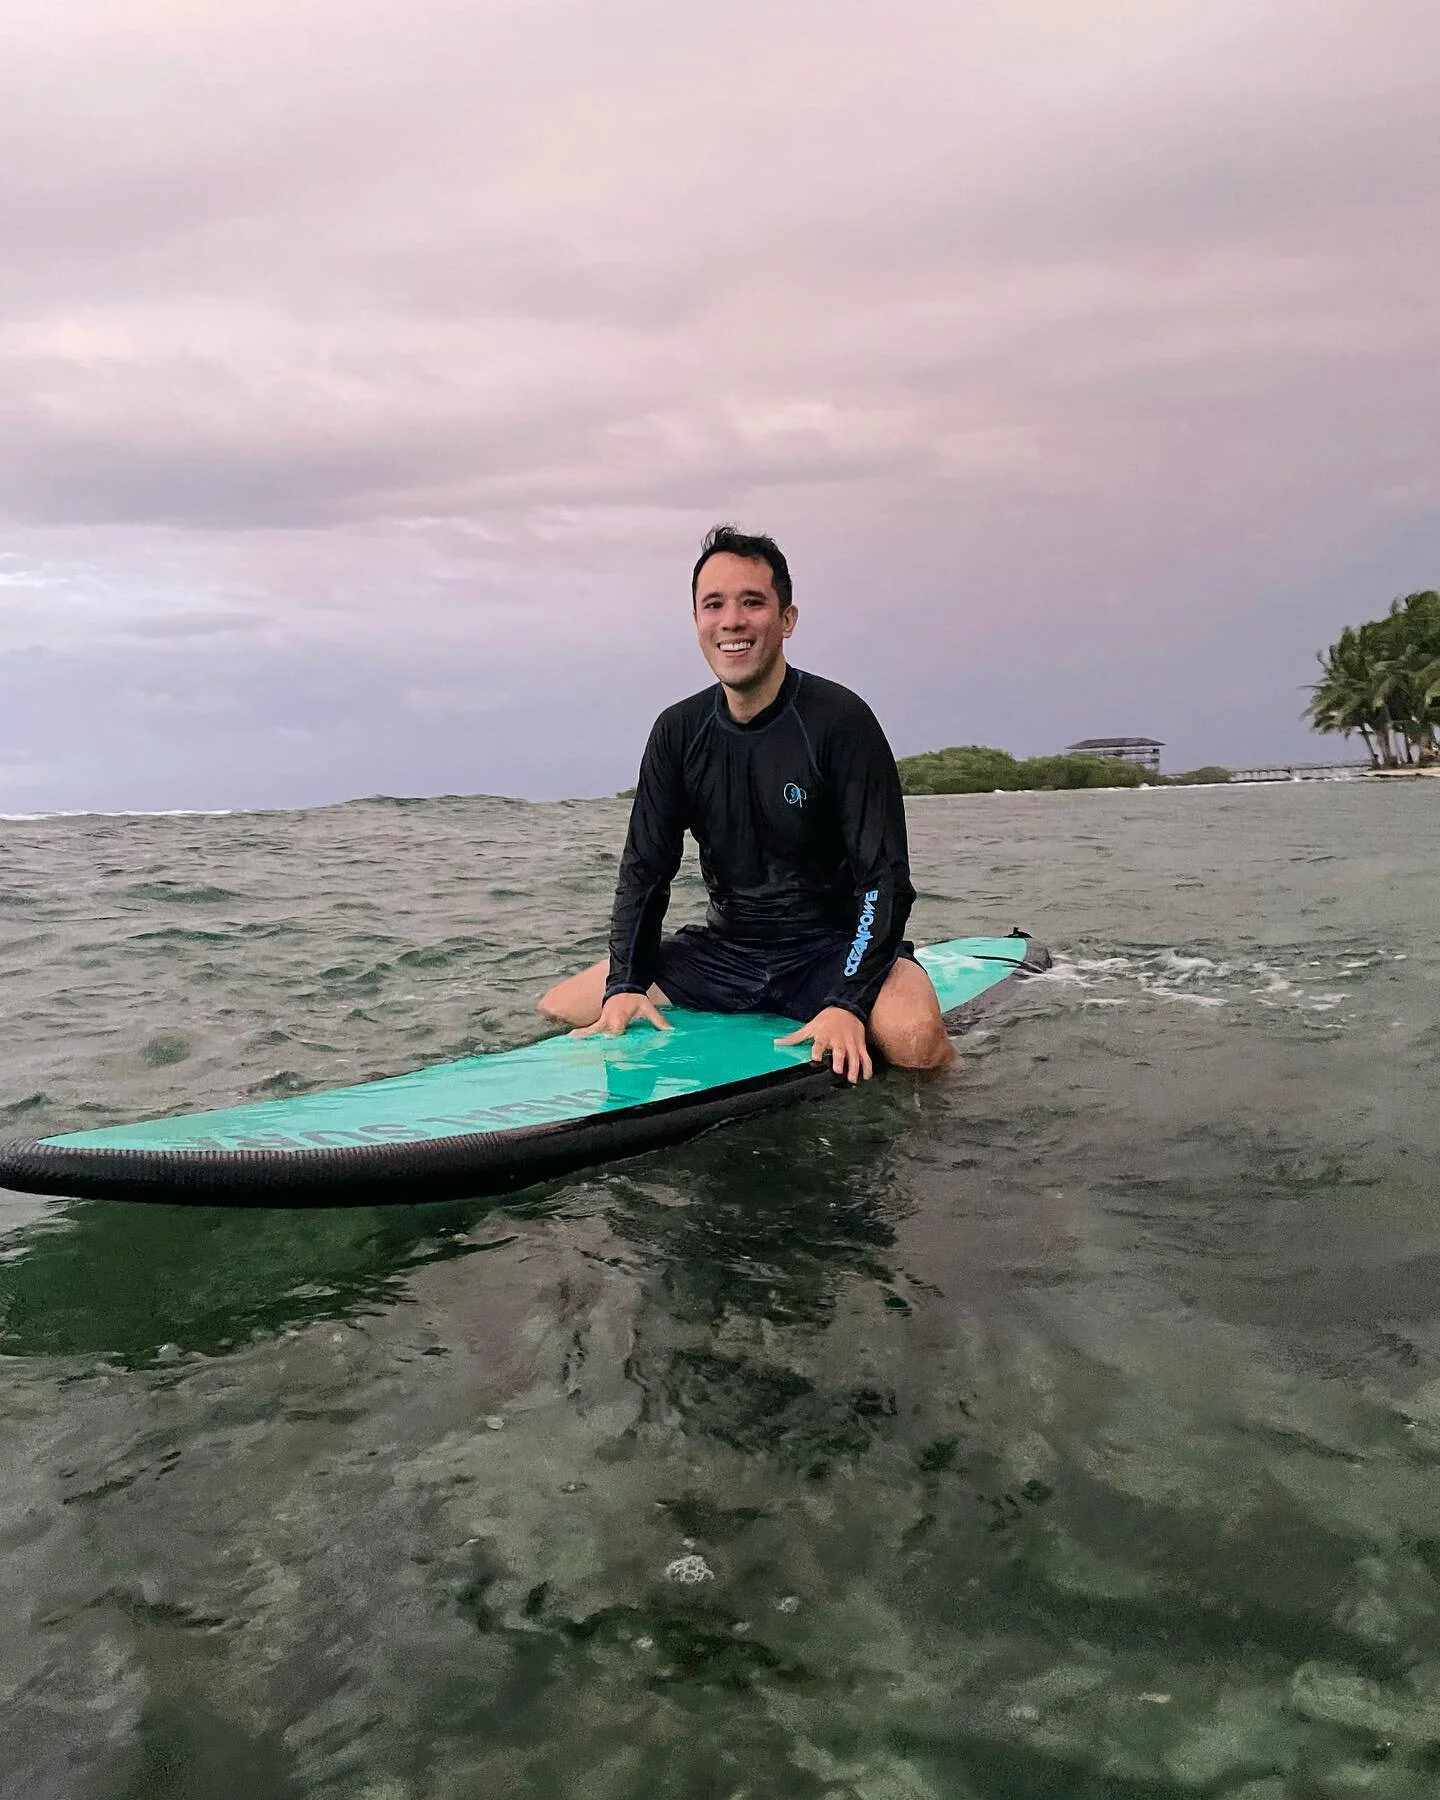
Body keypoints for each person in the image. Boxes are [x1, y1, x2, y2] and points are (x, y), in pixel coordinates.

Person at [537, 525, 953, 1081]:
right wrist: (627, 986)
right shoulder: (677, 732)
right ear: (697, 621)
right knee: (562, 1005)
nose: (732, 620)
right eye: (714, 604)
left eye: (752, 602)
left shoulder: (840, 720)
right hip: (725, 954)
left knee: (915, 1040)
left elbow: (884, 879)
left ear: (787, 619)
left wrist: (848, 1000)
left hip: (829, 952)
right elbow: (644, 872)